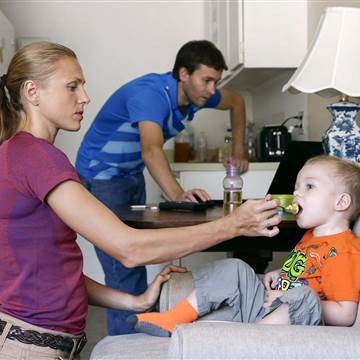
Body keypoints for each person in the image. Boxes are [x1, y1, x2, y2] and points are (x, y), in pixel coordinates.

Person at [0, 41, 280, 359]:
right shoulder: (38, 157)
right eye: (72, 86)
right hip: (28, 348)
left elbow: (54, 269)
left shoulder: (21, 153)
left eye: (83, 86)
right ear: (32, 92)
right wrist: (234, 224)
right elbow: (130, 249)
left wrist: (136, 301)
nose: (85, 97)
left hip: (40, 342)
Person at [75, 39, 249, 335]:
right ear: (183, 74)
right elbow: (152, 150)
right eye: (206, 80)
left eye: (215, 82)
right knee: (124, 270)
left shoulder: (198, 95)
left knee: (138, 257)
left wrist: (240, 150)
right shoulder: (150, 95)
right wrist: (179, 196)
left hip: (131, 175)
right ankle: (127, 348)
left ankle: (141, 336)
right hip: (100, 177)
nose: (212, 90)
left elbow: (237, 102)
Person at [129, 155, 360, 337]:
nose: (296, 193)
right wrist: (281, 275)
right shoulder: (311, 237)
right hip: (267, 309)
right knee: (236, 267)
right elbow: (306, 273)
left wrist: (291, 294)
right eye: (297, 186)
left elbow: (345, 315)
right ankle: (175, 320)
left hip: (296, 321)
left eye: (309, 187)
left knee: (305, 296)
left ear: (341, 202)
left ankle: (251, 340)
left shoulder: (344, 250)